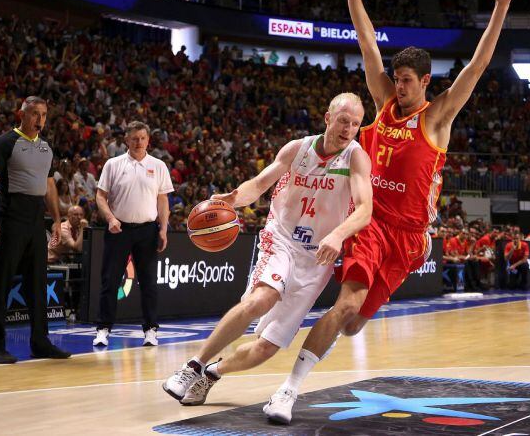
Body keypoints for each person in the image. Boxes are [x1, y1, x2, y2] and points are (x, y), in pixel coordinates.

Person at [263, 0, 528, 424]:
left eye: (407, 79)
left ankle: (318, 343)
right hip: (369, 221)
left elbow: (477, 67)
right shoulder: (383, 100)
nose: (397, 84)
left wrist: (502, 7)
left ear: (425, 83)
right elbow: (366, 42)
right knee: (346, 307)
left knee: (355, 325)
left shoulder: (438, 117)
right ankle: (287, 391)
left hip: (407, 238)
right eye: (397, 77)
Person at [162, 93, 372, 407]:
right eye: (344, 121)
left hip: (317, 258)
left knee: (266, 347)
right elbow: (260, 184)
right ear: (328, 118)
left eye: (355, 124)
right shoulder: (298, 149)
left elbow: (365, 209)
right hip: (283, 239)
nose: (349, 129)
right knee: (263, 298)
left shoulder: (356, 157)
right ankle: (192, 366)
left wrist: (339, 235)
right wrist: (233, 198)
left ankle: (213, 372)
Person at [0, 96, 71, 364]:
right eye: (34, 113)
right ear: (22, 114)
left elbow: (50, 186)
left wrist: (56, 219)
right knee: (1, 282)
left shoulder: (46, 147)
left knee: (38, 282)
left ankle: (40, 343)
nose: (39, 119)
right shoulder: (6, 142)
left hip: (36, 218)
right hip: (11, 215)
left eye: (43, 114)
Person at [92, 121, 173, 348]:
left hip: (148, 230)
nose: (139, 142)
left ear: (148, 140)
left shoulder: (158, 166)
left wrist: (163, 229)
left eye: (143, 138)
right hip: (119, 230)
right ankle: (103, 329)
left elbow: (163, 199)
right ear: (126, 140)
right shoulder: (113, 164)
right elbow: (100, 196)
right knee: (110, 281)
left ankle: (150, 330)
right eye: (134, 138)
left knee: (149, 283)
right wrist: (110, 218)